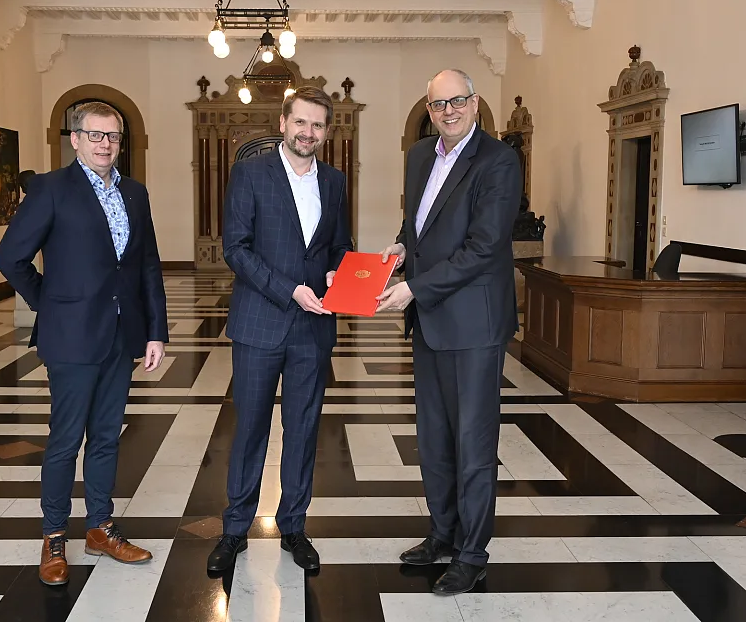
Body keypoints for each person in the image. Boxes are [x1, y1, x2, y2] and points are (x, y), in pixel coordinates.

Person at [0, 101, 169, 586]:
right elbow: (10, 257)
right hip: (71, 336)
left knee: (108, 437)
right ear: (74, 139)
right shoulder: (51, 189)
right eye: (95, 135)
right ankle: (54, 536)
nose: (105, 144)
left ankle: (100, 526)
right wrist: (49, 304)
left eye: (113, 136)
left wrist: (156, 330)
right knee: (65, 439)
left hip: (121, 335)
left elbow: (147, 266)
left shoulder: (135, 193)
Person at [377, 69, 521, 595]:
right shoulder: (419, 156)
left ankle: (472, 552)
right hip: (431, 323)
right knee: (434, 439)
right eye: (439, 105)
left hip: (475, 324)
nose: (449, 112)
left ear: (475, 103)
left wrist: (414, 287)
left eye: (457, 101)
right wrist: (399, 248)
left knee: (473, 442)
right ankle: (441, 534)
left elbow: (483, 247)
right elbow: (419, 224)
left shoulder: (499, 161)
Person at [207, 86, 352, 573]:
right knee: (249, 429)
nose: (308, 132)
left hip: (314, 329)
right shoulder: (250, 173)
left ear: (325, 132)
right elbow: (237, 248)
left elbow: (339, 245)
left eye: (318, 125)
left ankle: (294, 525)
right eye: (301, 122)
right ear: (284, 123)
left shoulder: (334, 181)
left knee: (303, 430)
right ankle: (234, 530)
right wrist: (289, 289)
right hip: (260, 323)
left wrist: (336, 272)